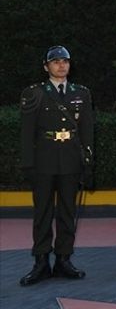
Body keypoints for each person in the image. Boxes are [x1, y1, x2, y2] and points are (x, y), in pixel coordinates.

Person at [18, 46, 94, 286]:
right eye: (55, 62)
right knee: (42, 213)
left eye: (65, 61)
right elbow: (27, 132)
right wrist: (28, 163)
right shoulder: (34, 93)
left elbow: (87, 130)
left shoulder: (81, 93)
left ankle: (63, 259)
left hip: (71, 159)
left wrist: (89, 162)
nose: (61, 65)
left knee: (67, 212)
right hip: (44, 160)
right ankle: (41, 261)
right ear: (46, 66)